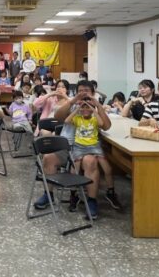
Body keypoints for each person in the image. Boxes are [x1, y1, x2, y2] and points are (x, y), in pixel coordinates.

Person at [33, 81, 121, 212]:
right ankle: (48, 195)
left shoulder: (95, 108)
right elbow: (58, 116)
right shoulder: (72, 105)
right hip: (67, 147)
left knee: (90, 161)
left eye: (87, 91)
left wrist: (97, 106)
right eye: (80, 91)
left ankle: (91, 200)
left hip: (86, 148)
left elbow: (107, 126)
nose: (83, 93)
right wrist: (74, 101)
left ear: (93, 93)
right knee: (48, 158)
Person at [63, 98, 112, 218]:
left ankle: (111, 191)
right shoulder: (78, 118)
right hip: (79, 146)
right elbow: (66, 120)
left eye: (88, 107)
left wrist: (94, 109)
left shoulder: (94, 119)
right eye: (83, 107)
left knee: (107, 168)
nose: (85, 109)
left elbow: (101, 124)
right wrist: (78, 109)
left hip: (93, 146)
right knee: (75, 168)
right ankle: (74, 193)